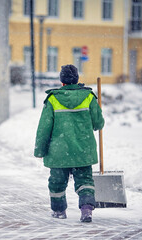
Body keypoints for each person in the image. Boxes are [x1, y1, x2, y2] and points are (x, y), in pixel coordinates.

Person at [34, 64, 105, 222]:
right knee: (85, 181)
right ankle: (86, 210)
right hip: (83, 150)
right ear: (77, 79)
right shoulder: (88, 97)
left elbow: (44, 128)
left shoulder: (52, 99)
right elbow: (98, 124)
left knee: (57, 183)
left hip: (59, 152)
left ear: (62, 81)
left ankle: (59, 211)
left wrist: (40, 150)